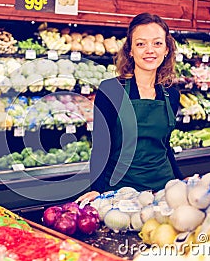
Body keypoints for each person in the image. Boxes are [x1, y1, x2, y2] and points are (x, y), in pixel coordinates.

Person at [77, 12, 183, 202]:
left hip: (164, 192)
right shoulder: (110, 90)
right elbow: (101, 147)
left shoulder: (172, 94)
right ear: (130, 51)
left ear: (167, 49)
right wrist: (97, 189)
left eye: (157, 43)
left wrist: (181, 183)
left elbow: (165, 146)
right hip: (121, 193)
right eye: (141, 44)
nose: (150, 50)